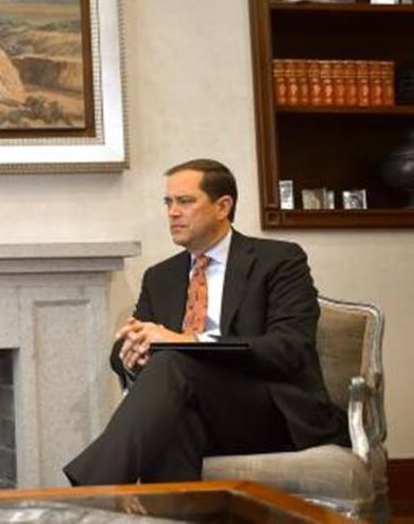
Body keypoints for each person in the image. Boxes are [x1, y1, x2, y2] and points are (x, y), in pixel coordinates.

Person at [64, 159, 349, 485]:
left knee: (172, 363)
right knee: (174, 418)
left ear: (222, 206)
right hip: (190, 406)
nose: (172, 212)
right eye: (168, 203)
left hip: (266, 411)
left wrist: (185, 341)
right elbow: (133, 345)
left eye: (185, 201)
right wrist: (131, 355)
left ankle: (91, 489)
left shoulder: (279, 260)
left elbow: (290, 349)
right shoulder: (161, 276)